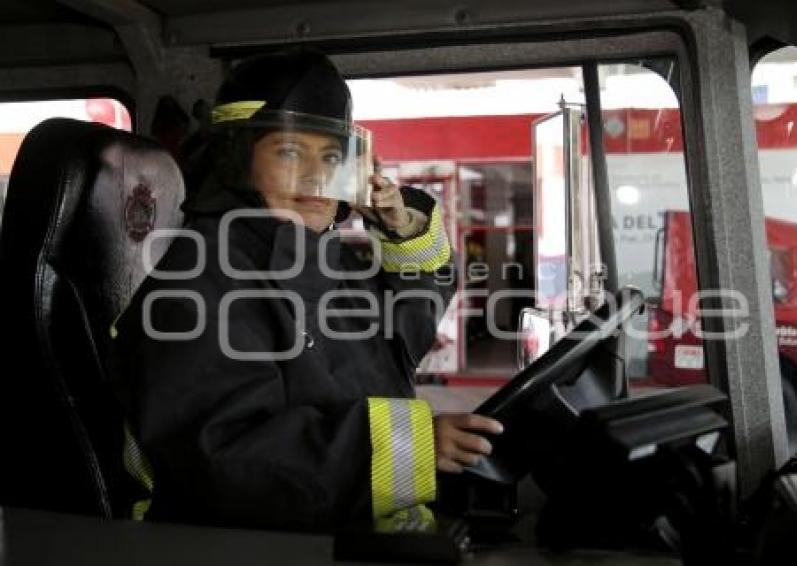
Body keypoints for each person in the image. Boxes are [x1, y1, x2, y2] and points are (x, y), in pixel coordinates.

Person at [108, 49, 503, 531]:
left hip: (355, 526)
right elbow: (225, 462)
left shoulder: (323, 258)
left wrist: (405, 230)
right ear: (236, 156)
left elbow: (407, 322)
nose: (318, 177)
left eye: (333, 156)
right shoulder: (196, 279)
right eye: (291, 152)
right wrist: (414, 448)